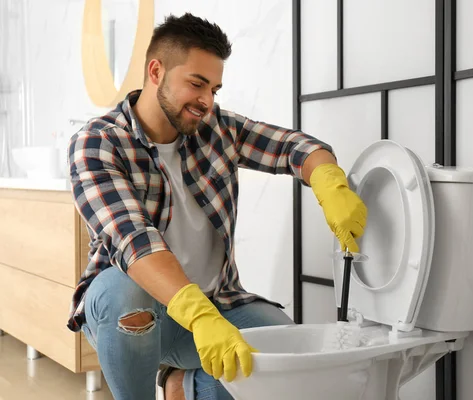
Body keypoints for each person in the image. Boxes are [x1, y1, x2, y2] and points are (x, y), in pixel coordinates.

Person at [67, 12, 367, 400]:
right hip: (138, 313)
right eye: (197, 84)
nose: (207, 101)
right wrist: (199, 316)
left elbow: (294, 147)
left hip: (217, 302)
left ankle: (183, 386)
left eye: (214, 88)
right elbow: (133, 241)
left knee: (288, 353)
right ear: (156, 71)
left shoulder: (217, 129)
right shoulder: (98, 143)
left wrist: (328, 180)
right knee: (125, 295)